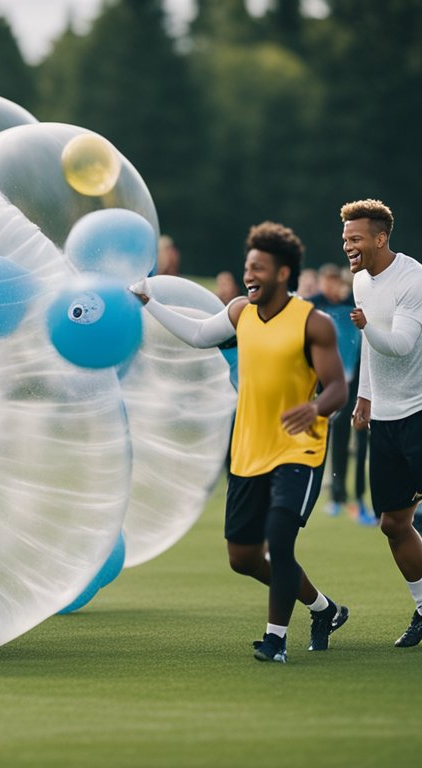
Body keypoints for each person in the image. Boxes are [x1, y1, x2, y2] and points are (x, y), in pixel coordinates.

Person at [132, 221, 349, 663]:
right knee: (243, 557)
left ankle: (275, 640)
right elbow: (196, 336)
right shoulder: (238, 313)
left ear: (283, 273)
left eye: (259, 269)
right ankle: (324, 609)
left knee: (279, 540)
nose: (249, 275)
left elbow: (337, 388)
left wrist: (315, 408)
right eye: (247, 267)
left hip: (299, 450)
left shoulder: (315, 322)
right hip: (249, 451)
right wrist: (150, 302)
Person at [340, 199, 422, 648]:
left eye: (356, 238)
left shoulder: (413, 279)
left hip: (420, 412)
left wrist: (366, 326)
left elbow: (403, 345)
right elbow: (372, 348)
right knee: (393, 524)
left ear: (380, 238)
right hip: (386, 419)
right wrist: (364, 396)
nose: (349, 246)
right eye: (346, 239)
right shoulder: (359, 282)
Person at [311, 263, 371, 522]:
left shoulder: (353, 303)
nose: (331, 288)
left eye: (334, 282)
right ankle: (337, 496)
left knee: (359, 440)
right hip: (327, 383)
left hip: (356, 383)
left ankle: (359, 497)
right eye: (327, 283)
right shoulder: (315, 305)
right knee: (333, 438)